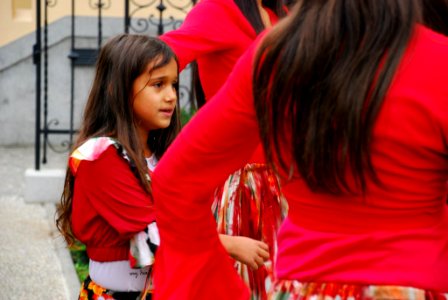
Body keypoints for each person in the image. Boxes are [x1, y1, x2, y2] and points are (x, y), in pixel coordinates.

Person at [152, 0, 448, 299]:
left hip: (303, 285)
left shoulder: (277, 54)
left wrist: (222, 290)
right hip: (415, 282)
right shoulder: (439, 60)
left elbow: (176, 181)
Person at [160, 1, 288, 298]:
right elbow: (156, 58)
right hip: (241, 188)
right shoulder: (217, 8)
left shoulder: (283, 12)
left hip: (289, 186)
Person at [54, 34, 180, 299]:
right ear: (117, 88)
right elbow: (152, 230)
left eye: (174, 85)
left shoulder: (163, 156)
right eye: (158, 85)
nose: (171, 96)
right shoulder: (97, 156)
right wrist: (228, 245)